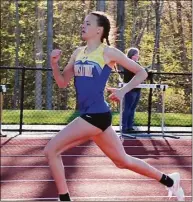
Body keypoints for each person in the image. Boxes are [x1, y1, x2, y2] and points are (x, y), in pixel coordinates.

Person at [44, 11, 184, 201]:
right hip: (91, 115)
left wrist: (122, 91)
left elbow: (141, 72)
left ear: (99, 30)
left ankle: (64, 198)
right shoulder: (78, 52)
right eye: (83, 23)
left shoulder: (107, 52)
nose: (82, 26)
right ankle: (170, 181)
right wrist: (54, 64)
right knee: (122, 161)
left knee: (51, 149)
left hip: (96, 115)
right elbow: (62, 82)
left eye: (87, 23)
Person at [122, 47, 141, 133]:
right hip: (130, 89)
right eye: (136, 54)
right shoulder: (128, 64)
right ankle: (124, 127)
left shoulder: (138, 63)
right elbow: (132, 74)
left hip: (137, 89)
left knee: (132, 108)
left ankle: (130, 126)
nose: (138, 56)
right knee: (128, 108)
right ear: (132, 55)